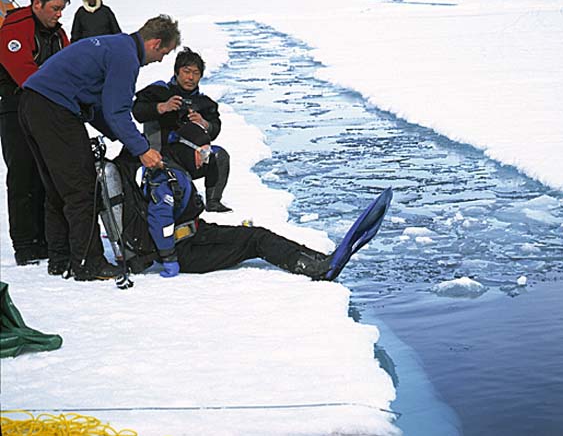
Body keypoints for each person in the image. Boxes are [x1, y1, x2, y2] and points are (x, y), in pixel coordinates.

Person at [18, 15, 179, 281]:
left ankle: (61, 257)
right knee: (83, 187)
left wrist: (124, 139)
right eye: (163, 52)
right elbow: (118, 110)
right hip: (55, 109)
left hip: (32, 103)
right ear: (154, 42)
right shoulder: (126, 57)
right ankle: (88, 263)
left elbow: (99, 108)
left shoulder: (114, 45)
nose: (160, 60)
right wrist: (142, 149)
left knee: (59, 187)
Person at [145, 121, 332, 279]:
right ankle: (310, 267)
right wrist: (169, 258)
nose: (205, 160)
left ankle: (314, 258)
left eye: (208, 154)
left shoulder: (176, 169)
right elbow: (159, 220)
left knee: (257, 234)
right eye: (202, 153)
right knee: (255, 241)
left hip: (195, 234)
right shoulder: (166, 178)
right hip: (184, 252)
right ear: (186, 149)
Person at [0, 0, 70, 266]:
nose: (59, 14)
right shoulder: (14, 29)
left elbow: (69, 65)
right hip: (16, 107)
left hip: (47, 108)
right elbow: (26, 75)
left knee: (45, 174)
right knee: (22, 174)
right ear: (36, 4)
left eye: (62, 8)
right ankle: (25, 243)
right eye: (55, 8)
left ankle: (45, 238)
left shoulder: (58, 33)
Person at [132, 47, 232, 212]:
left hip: (192, 155)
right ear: (177, 72)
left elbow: (215, 128)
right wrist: (162, 107)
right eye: (186, 72)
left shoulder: (204, 102)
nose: (191, 77)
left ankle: (214, 202)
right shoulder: (159, 91)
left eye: (196, 73)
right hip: (159, 154)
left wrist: (205, 124)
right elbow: (138, 111)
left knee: (219, 156)